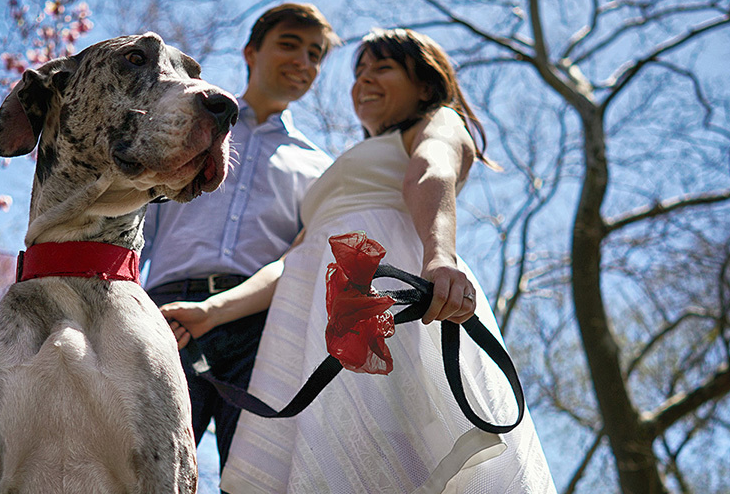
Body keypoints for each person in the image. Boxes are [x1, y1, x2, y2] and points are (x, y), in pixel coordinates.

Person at [161, 28, 557, 493]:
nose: (364, 81)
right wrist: (212, 312)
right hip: (313, 325)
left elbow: (432, 172)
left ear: (425, 86)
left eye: (382, 68)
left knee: (392, 447)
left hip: (385, 306)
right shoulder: (342, 165)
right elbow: (296, 259)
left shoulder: (435, 121)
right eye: (359, 71)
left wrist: (440, 255)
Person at [140, 3, 339, 471]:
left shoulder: (320, 167)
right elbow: (137, 223)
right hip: (166, 317)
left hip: (264, 329)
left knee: (257, 478)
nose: (303, 62)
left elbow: (305, 258)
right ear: (251, 51)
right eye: (289, 44)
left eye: (315, 54)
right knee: (144, 472)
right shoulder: (192, 119)